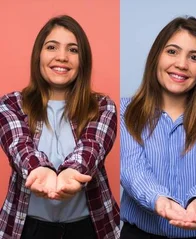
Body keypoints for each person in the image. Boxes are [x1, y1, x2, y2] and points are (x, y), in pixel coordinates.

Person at [0, 15, 119, 239]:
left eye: (73, 50)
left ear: (83, 60)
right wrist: (38, 169)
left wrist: (71, 172)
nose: (62, 57)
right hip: (27, 229)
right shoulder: (10, 104)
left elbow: (91, 147)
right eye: (52, 47)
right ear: (38, 55)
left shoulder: (103, 107)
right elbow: (18, 144)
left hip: (90, 228)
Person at [119, 16, 196, 239]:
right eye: (172, 51)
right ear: (156, 56)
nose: (182, 64)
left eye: (194, 57)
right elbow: (131, 168)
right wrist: (161, 201)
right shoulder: (125, 111)